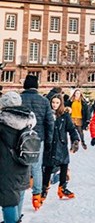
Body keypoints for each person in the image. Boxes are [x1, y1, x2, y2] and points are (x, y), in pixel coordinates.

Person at [0, 91, 36, 223]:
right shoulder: (29, 121)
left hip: (6, 166)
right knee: (18, 194)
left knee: (8, 200)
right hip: (24, 163)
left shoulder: (3, 123)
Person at [20, 74, 54, 211]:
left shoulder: (19, 99)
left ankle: (21, 191)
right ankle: (37, 196)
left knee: (21, 166)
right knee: (37, 167)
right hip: (38, 138)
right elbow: (49, 123)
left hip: (21, 138)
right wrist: (49, 141)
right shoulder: (44, 101)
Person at [42, 94, 80, 202]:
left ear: (61, 104)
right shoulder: (47, 115)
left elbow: (72, 129)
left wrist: (75, 140)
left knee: (64, 165)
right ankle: (44, 188)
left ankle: (62, 187)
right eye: (53, 102)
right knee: (48, 167)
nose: (54, 105)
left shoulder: (65, 116)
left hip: (61, 144)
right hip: (49, 144)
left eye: (57, 103)